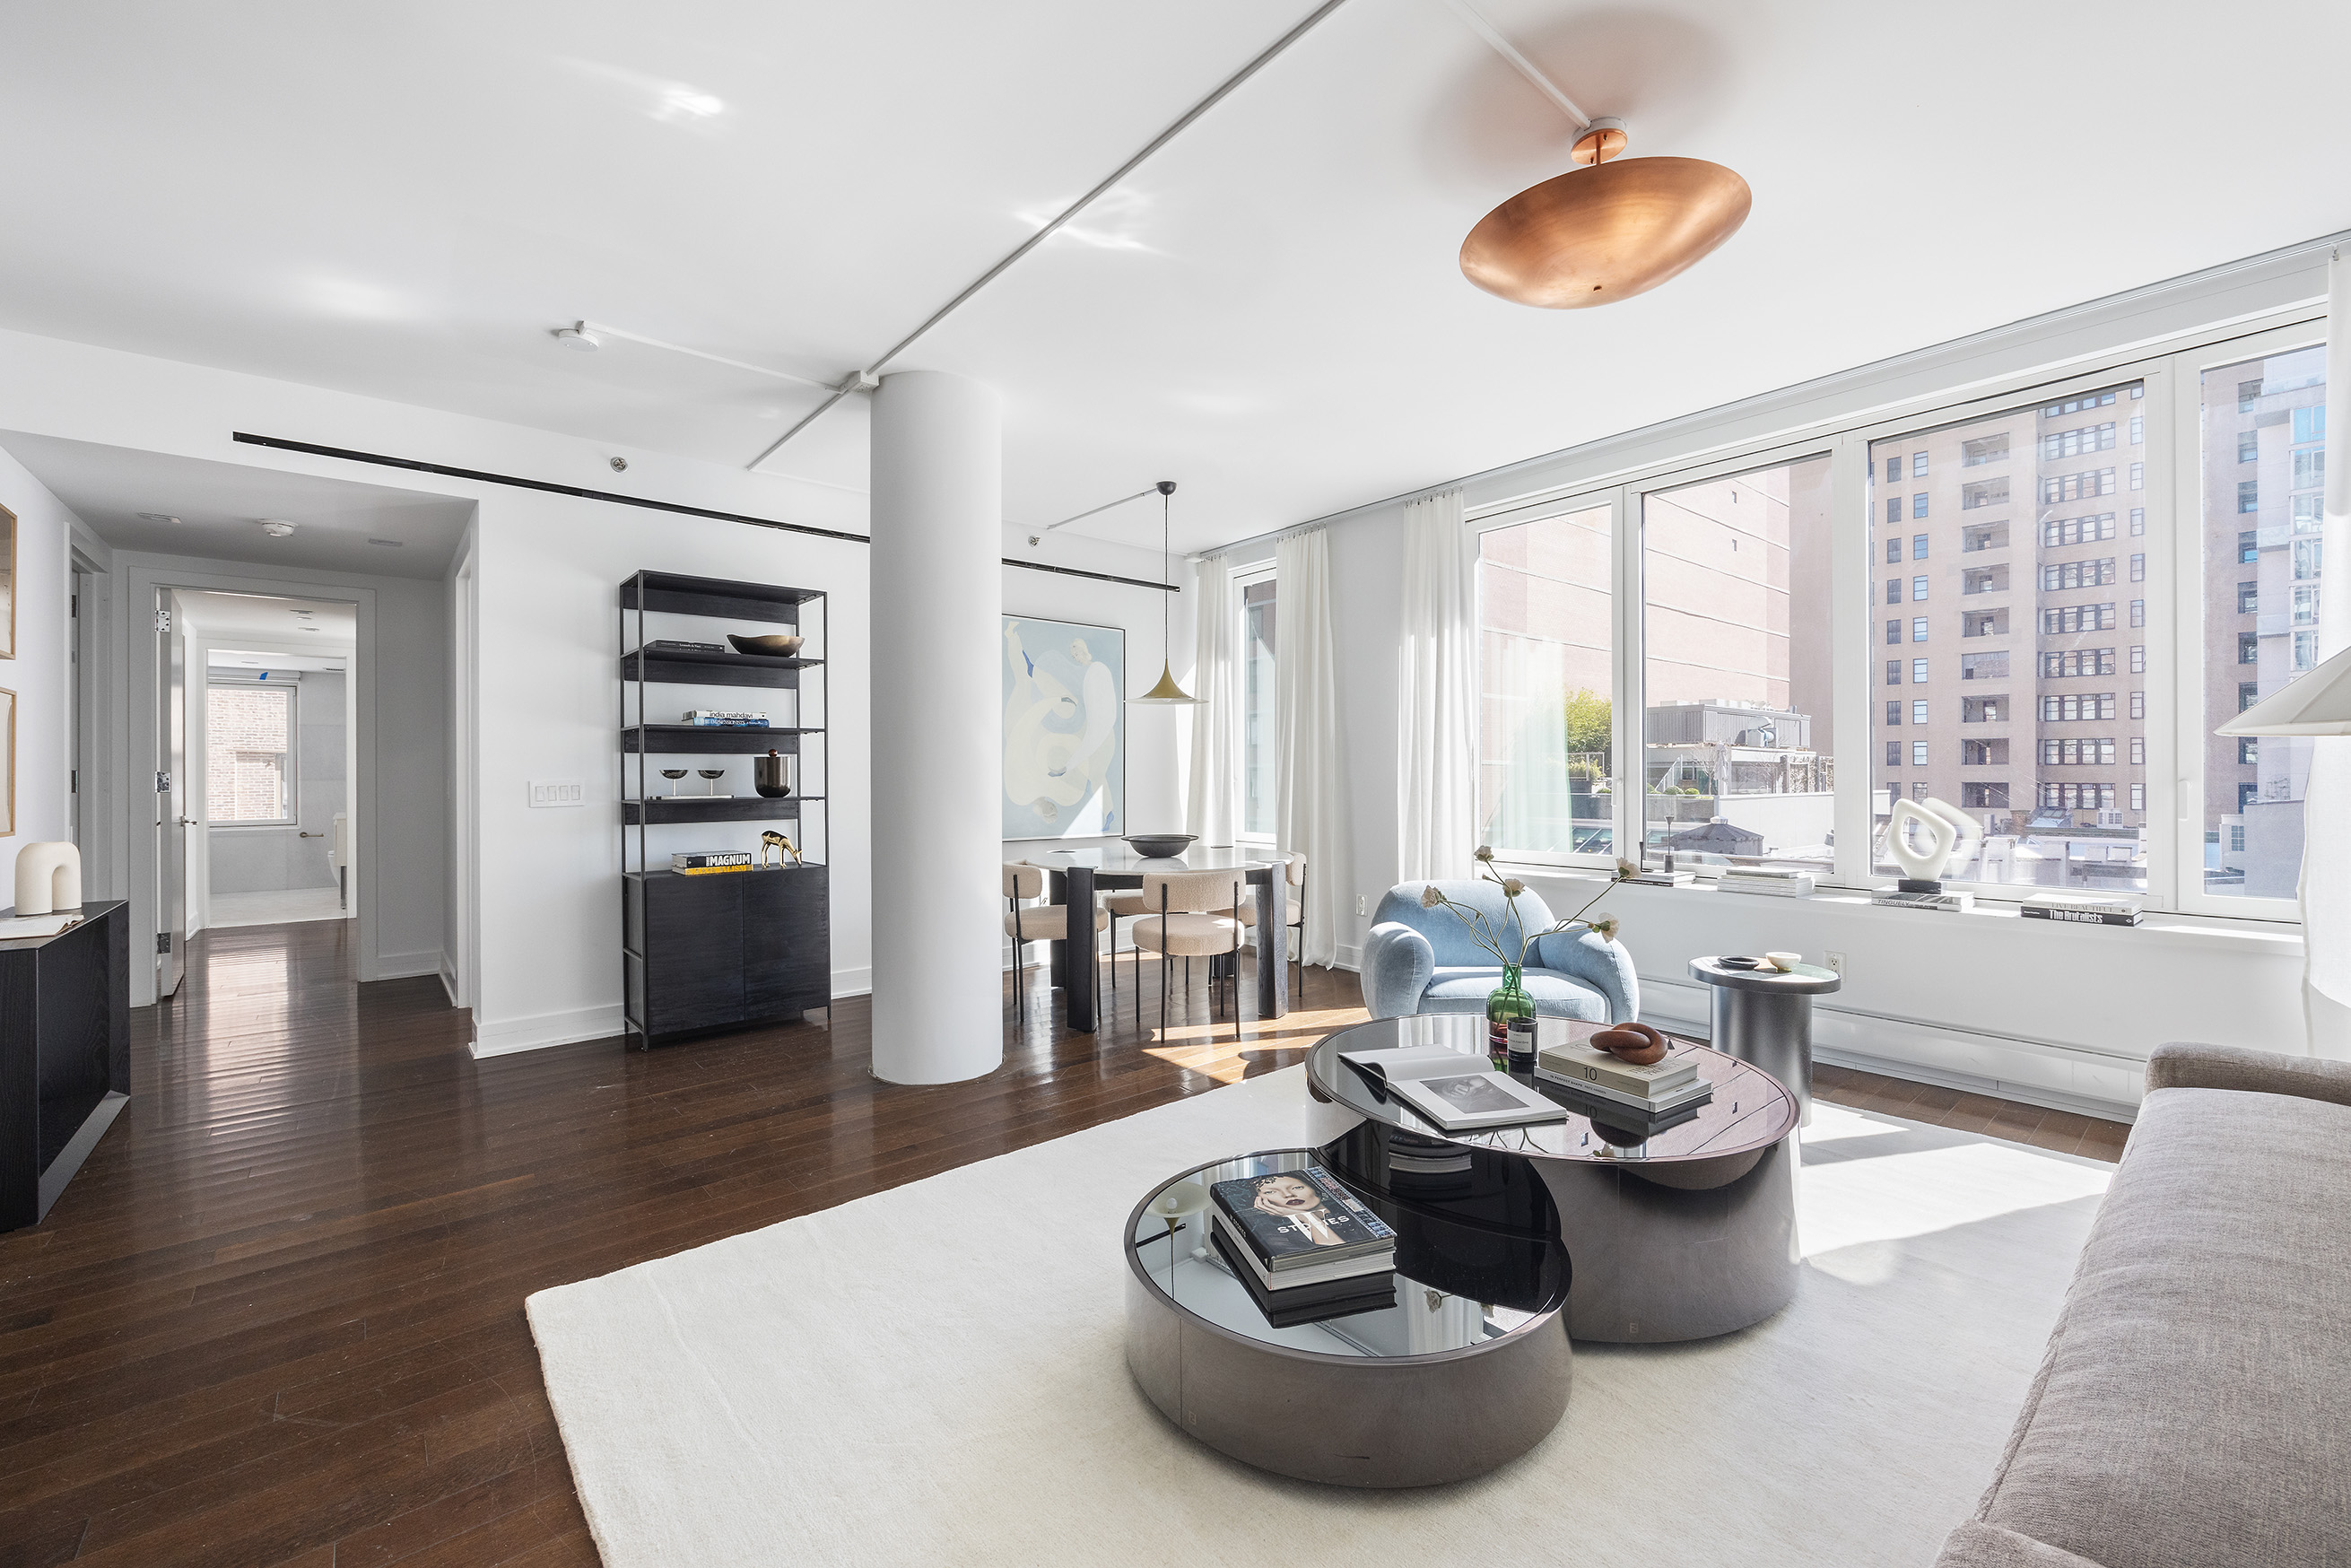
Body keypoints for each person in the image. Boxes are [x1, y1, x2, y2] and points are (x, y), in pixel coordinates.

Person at [1250, 1173, 1345, 1248]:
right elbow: (1338, 1253)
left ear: (1316, 1190)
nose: (1288, 1194)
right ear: (1260, 1201)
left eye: (1297, 1187)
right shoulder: (1275, 1238)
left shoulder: (1350, 1214)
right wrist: (1304, 1216)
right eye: (1270, 1192)